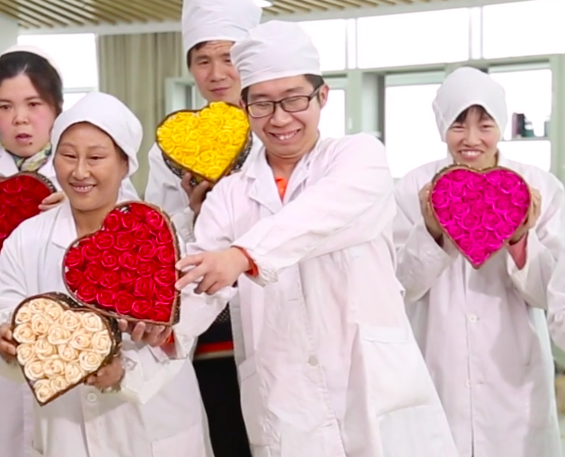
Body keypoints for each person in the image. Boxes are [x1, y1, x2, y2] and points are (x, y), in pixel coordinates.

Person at [172, 21, 459, 457]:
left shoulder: (358, 157)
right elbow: (200, 283)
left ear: (322, 96)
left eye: (294, 99)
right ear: (244, 108)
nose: (280, 118)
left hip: (373, 386)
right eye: (262, 104)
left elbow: (321, 215)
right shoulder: (229, 195)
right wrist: (159, 335)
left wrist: (242, 254)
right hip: (285, 398)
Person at [0, 92, 212, 457]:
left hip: (153, 425)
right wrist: (3, 339)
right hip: (65, 429)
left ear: (125, 163)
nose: (80, 172)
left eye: (96, 157)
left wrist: (125, 371)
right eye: (68, 156)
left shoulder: (156, 234)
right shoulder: (28, 238)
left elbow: (184, 327)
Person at [0, 45, 134, 457]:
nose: (20, 119)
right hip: (1, 325)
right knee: (6, 437)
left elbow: (136, 255)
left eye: (34, 104)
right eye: (4, 106)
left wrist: (82, 206)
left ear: (57, 107)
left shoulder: (98, 172)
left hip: (85, 340)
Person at [393, 66, 564, 457]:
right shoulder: (414, 188)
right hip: (438, 367)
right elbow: (400, 287)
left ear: (501, 125)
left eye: (485, 126)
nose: (471, 140)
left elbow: (552, 295)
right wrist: (432, 231)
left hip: (515, 376)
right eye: (458, 125)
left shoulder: (536, 187)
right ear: (442, 127)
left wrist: (519, 239)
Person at [145, 1, 262, 455]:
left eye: (228, 57)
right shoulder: (172, 145)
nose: (216, 73)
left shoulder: (276, 132)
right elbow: (159, 233)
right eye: (202, 60)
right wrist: (196, 217)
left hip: (273, 302)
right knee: (224, 427)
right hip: (210, 318)